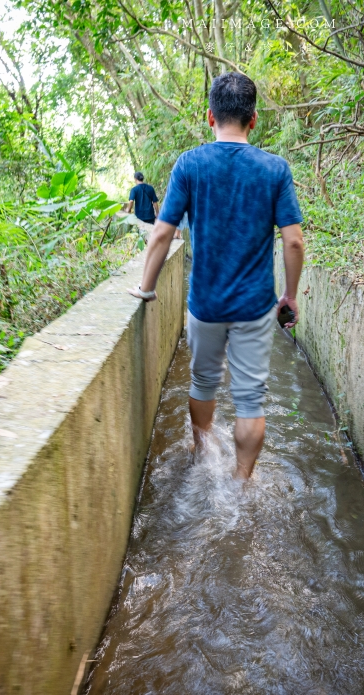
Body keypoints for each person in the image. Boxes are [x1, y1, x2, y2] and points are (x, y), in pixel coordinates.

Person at [129, 71, 305, 481]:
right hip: (255, 306)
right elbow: (293, 242)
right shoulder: (274, 169)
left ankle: (203, 455)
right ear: (254, 119)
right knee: (250, 399)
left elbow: (162, 233)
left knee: (203, 380)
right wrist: (289, 296)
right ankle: (242, 483)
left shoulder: (191, 164)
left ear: (210, 117)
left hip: (205, 304)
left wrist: (146, 289)